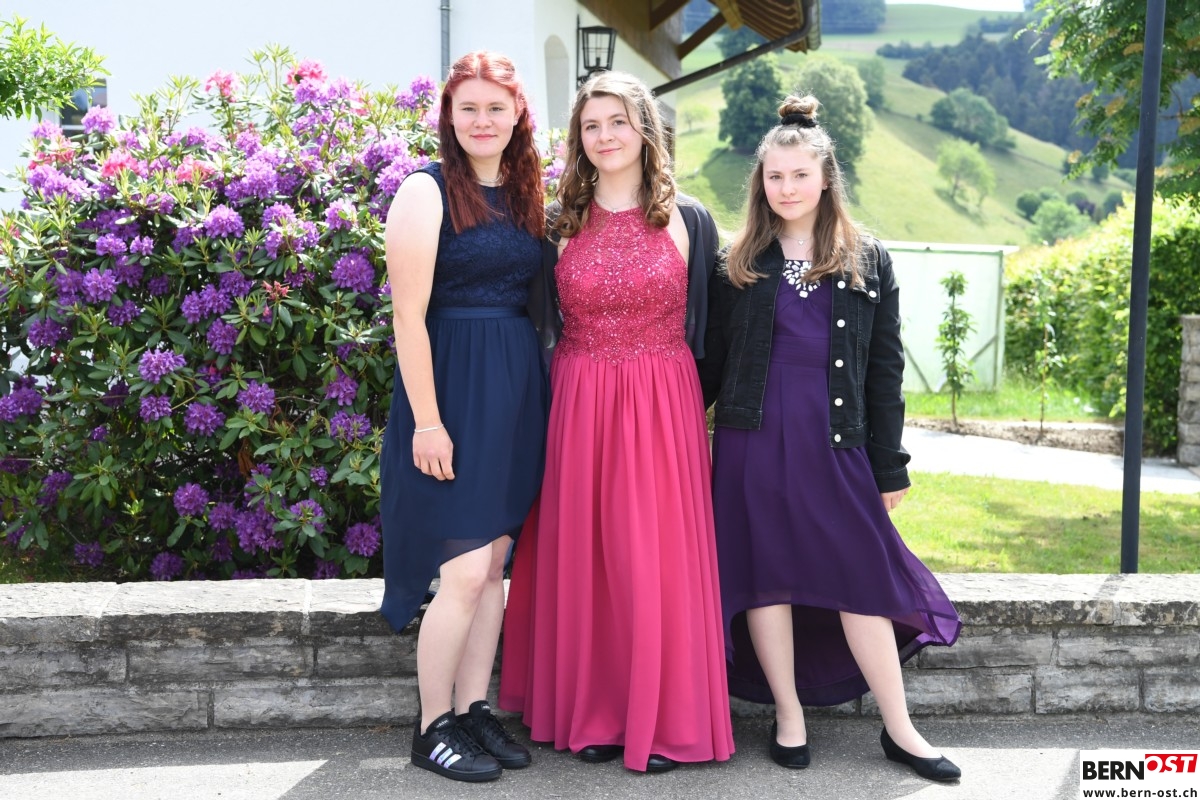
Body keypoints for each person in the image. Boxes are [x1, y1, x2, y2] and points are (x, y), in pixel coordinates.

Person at [697, 95, 964, 782]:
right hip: (752, 439)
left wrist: (890, 466)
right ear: (760, 181)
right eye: (774, 176)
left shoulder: (867, 258)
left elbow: (885, 369)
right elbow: (711, 362)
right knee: (766, 577)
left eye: (799, 175)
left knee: (860, 576)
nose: (786, 188)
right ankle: (788, 715)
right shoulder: (738, 260)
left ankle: (900, 728)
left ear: (825, 179)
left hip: (834, 438)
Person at [499, 71, 734, 774]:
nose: (605, 137)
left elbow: (719, 331)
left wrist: (689, 407)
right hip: (578, 401)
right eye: (591, 126)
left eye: (618, 122)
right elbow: (533, 322)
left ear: (645, 131)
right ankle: (593, 713)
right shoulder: (556, 223)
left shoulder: (689, 219)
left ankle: (662, 720)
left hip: (664, 406)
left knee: (651, 560)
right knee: (586, 557)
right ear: (578, 138)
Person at [378, 50, 548, 783]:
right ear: (449, 114)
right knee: (466, 569)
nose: (482, 120)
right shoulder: (425, 190)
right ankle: (432, 726)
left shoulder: (526, 191)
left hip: (514, 391)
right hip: (449, 390)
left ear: (518, 115)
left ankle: (474, 708)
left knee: (495, 566)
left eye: (496, 108)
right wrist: (427, 421)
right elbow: (407, 319)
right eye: (468, 107)